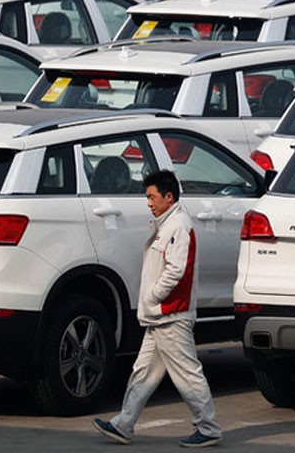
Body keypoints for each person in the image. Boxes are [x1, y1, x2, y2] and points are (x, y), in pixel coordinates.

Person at [93, 170, 222, 448]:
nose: (148, 202)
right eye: (147, 196)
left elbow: (177, 270)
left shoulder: (177, 226)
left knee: (187, 374)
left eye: (152, 196)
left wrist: (154, 295)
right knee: (144, 372)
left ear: (169, 196)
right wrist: (154, 301)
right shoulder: (168, 224)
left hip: (171, 315)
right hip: (161, 315)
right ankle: (124, 424)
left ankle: (208, 428)